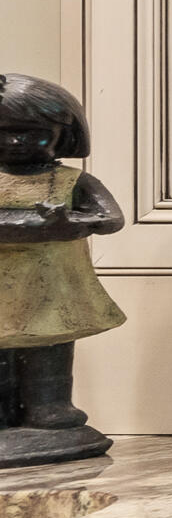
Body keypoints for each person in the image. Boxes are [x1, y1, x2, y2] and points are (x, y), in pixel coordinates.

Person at [0, 73, 126, 464]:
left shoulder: (71, 180)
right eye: (5, 132)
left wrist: (69, 223)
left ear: (64, 135)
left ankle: (49, 408)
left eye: (33, 133)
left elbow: (110, 218)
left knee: (50, 347)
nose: (16, 142)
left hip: (53, 288)